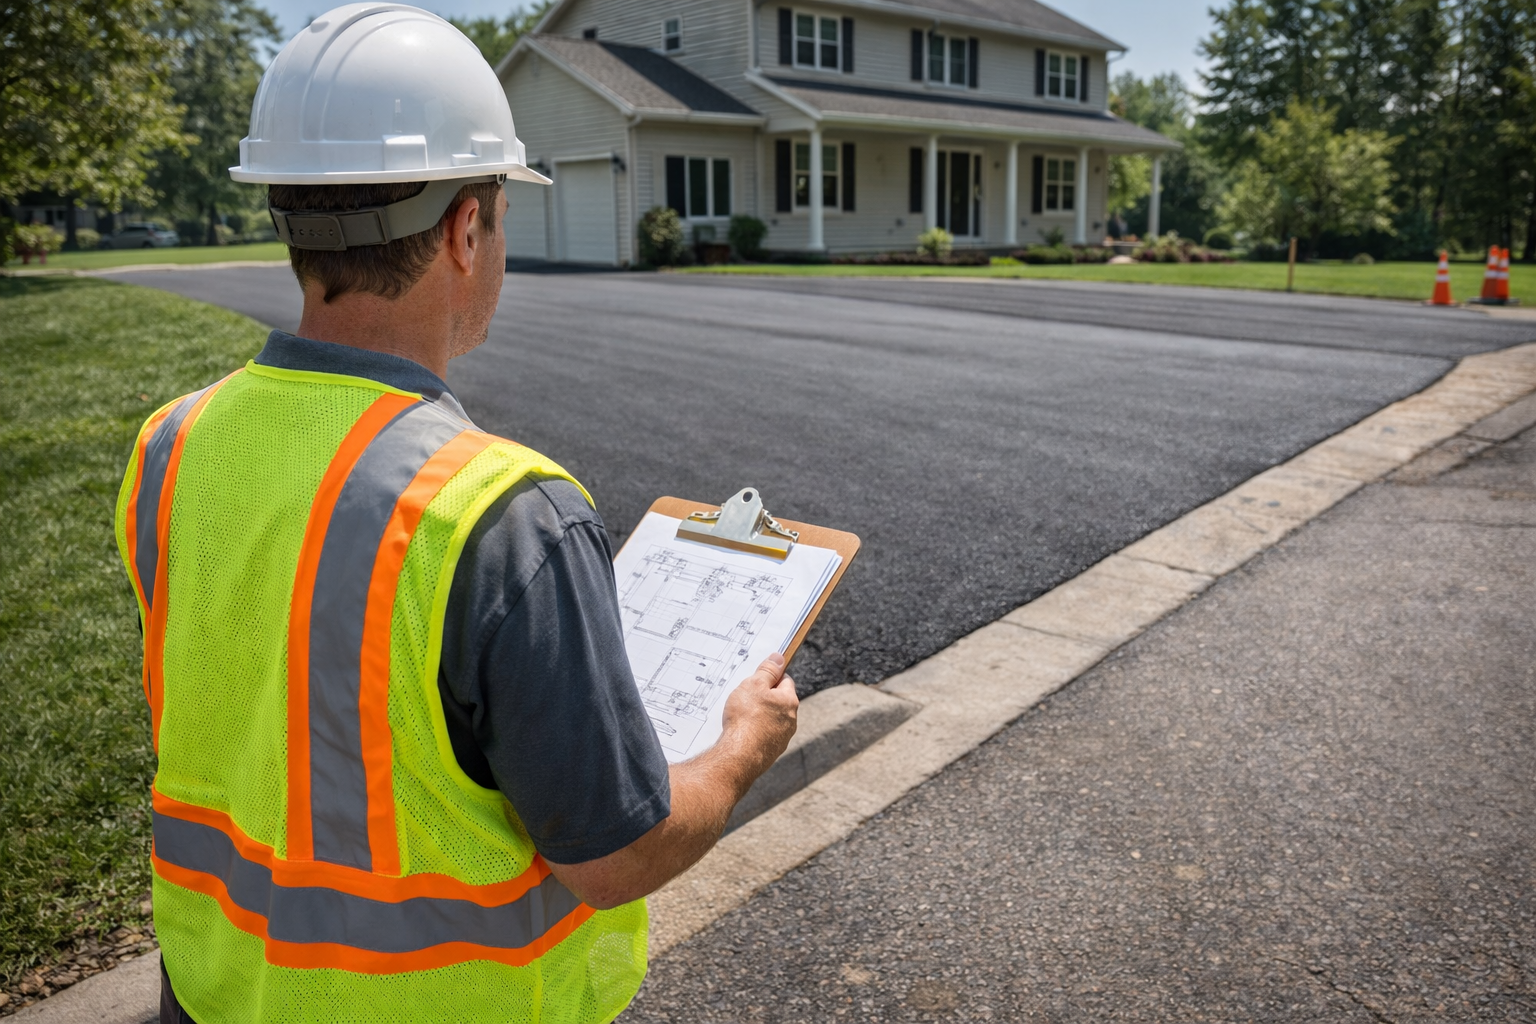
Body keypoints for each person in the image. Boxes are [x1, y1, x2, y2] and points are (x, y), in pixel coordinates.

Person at [114, 7, 798, 1023]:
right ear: (464, 229)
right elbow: (615, 859)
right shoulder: (506, 514)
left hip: (220, 990)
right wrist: (742, 744)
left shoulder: (170, 445)